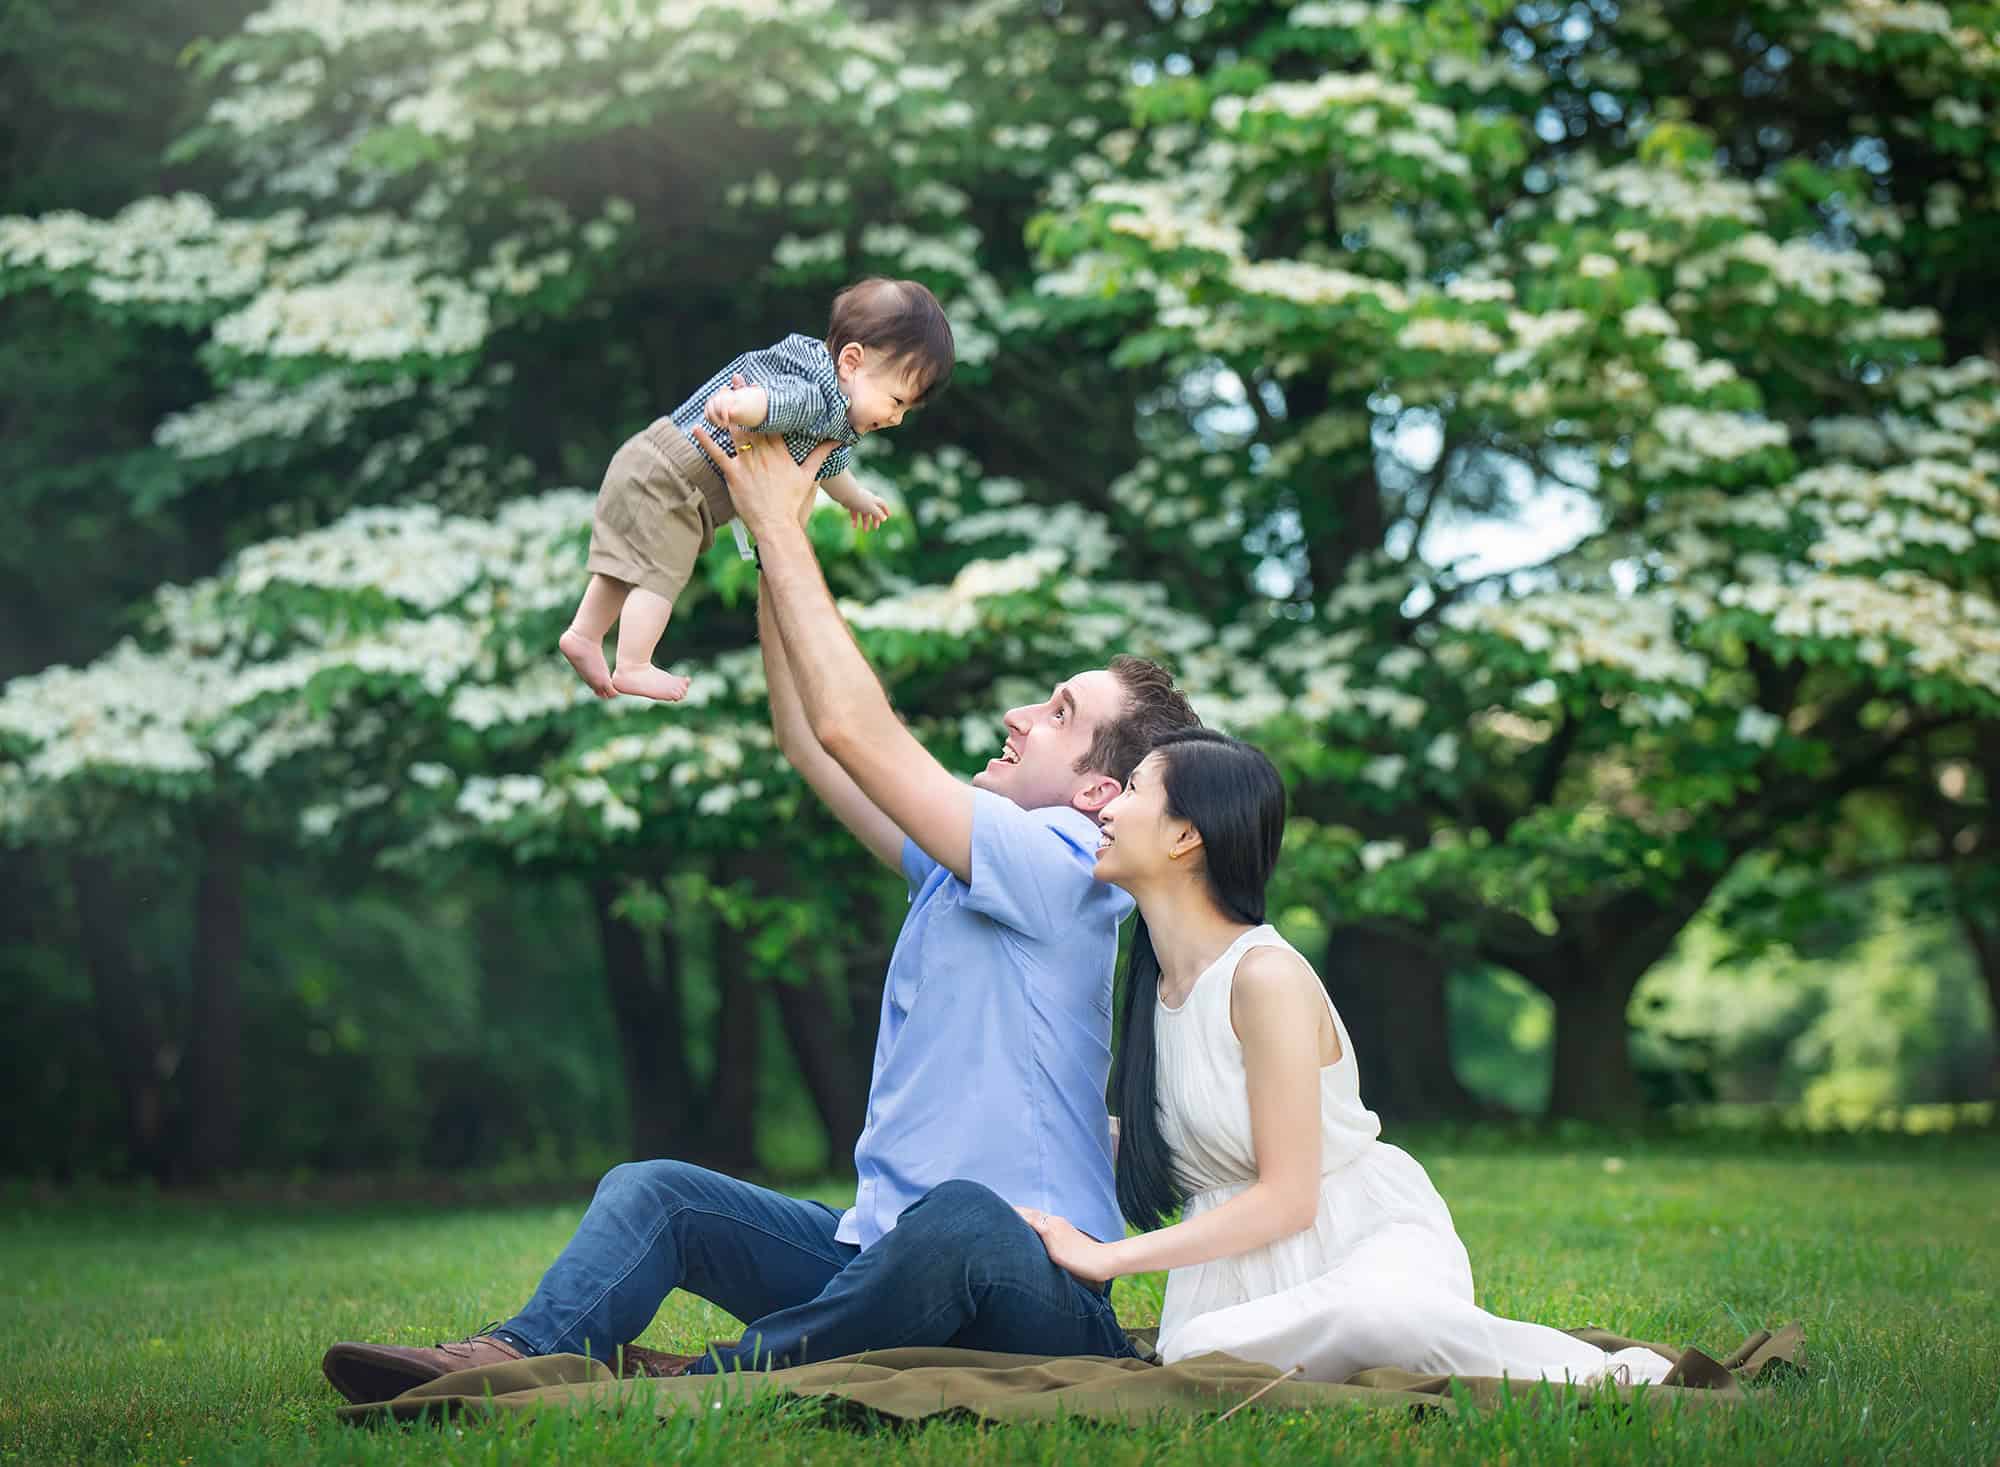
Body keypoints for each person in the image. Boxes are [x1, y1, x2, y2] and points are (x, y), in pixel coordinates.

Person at [321, 427, 1201, 1404]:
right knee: (656, 1192)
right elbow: (813, 742)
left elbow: (851, 727)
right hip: (887, 1259)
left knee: (963, 1216)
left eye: (1057, 714)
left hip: (1033, 1291)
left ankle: (713, 1378)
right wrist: (759, 533)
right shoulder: (971, 864)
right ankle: (516, 1353)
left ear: (1095, 793)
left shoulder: (1068, 870)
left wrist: (786, 525)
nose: (1019, 719)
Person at [1017, 728, 1675, 1388]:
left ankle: (1600, 1374)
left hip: (1363, 1241)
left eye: (1132, 790)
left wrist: (1109, 1258)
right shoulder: (1157, 988)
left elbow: (1289, 1199)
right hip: (1235, 1282)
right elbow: (1188, 1143)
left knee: (1380, 1318)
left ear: (1186, 835)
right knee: (1199, 1350)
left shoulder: (1263, 975)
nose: (1104, 807)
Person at [558, 276, 950, 702]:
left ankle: (583, 635)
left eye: (907, 409)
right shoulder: (814, 393)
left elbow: (830, 465)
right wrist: (741, 406)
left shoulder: (834, 410)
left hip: (657, 465)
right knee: (660, 574)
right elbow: (775, 401)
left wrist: (855, 497)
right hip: (673, 479)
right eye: (896, 401)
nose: (897, 419)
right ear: (851, 362)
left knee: (629, 565)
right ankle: (633, 663)